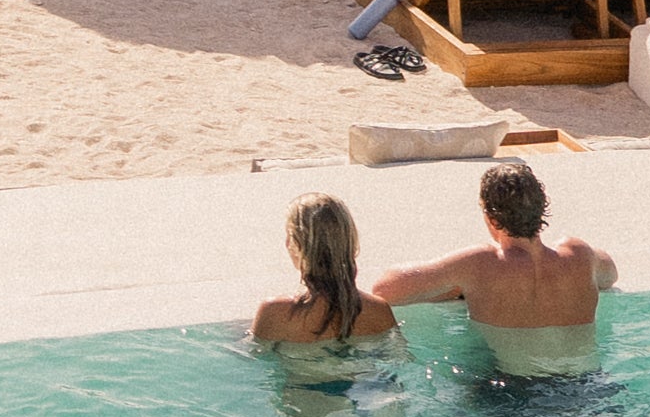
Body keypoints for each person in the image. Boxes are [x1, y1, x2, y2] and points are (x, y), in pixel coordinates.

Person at [368, 156, 620, 374]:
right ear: (541, 209)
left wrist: (459, 286)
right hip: (588, 385)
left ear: (490, 218)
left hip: (517, 393)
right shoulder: (580, 253)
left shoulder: (481, 263)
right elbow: (609, 275)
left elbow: (384, 290)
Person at [250, 194, 403, 381]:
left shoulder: (275, 312)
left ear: (295, 245)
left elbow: (253, 360)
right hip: (369, 391)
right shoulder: (379, 310)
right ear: (350, 243)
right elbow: (400, 361)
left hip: (307, 397)